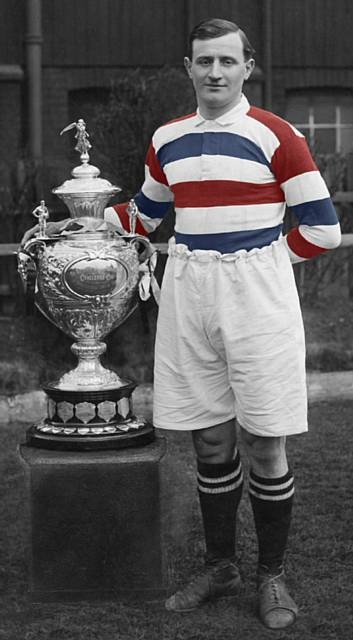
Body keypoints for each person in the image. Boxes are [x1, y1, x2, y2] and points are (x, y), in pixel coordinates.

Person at [23, 18, 341, 630]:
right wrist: (81, 224)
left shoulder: (277, 135)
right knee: (209, 438)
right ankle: (221, 566)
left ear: (248, 66)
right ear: (188, 67)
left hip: (257, 295)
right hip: (187, 290)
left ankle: (271, 575)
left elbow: (322, 228)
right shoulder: (168, 137)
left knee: (265, 442)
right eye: (204, 62)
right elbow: (146, 213)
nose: (215, 72)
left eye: (226, 61)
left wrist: (260, 263)